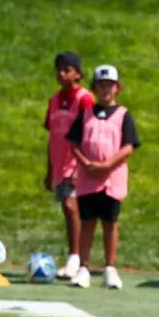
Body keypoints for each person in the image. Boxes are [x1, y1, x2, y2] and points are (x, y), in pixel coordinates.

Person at [64, 64, 138, 290]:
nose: (106, 90)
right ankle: (84, 267)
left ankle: (110, 268)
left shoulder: (124, 115)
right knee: (87, 222)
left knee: (110, 223)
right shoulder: (86, 114)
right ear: (95, 88)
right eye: (101, 85)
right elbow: (74, 143)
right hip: (88, 178)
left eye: (110, 86)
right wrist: (85, 163)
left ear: (117, 88)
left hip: (111, 178)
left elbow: (128, 146)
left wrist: (107, 164)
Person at [44, 51, 94, 281]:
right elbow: (52, 136)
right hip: (59, 163)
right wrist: (48, 170)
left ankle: (76, 259)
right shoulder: (54, 100)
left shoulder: (84, 98)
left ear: (78, 74)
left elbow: (90, 133)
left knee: (70, 205)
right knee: (67, 210)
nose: (62, 74)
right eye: (59, 70)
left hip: (75, 163)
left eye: (67, 70)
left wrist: (78, 167)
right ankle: (78, 258)